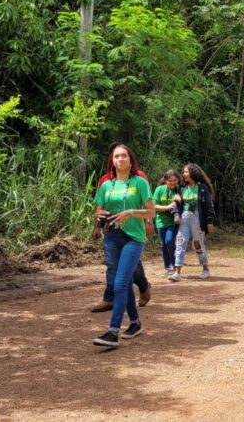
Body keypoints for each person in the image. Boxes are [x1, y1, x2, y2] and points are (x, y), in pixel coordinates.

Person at [93, 143, 155, 347]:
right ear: (112, 160)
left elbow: (151, 212)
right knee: (125, 283)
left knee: (119, 283)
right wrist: (98, 217)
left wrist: (131, 213)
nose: (120, 159)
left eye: (124, 156)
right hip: (112, 237)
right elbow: (98, 210)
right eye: (116, 156)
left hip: (133, 238)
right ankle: (135, 323)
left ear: (131, 160)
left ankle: (113, 332)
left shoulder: (140, 182)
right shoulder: (106, 185)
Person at [169, 163, 217, 281]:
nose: (183, 174)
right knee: (180, 242)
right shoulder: (182, 188)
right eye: (184, 172)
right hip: (184, 217)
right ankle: (177, 272)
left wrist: (210, 221)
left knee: (198, 244)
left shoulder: (202, 188)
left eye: (186, 172)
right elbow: (175, 204)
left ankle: (205, 269)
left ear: (192, 173)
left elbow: (209, 205)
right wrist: (175, 214)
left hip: (198, 218)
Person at [153, 169, 181, 278]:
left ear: (178, 180)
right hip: (160, 222)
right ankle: (167, 267)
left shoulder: (180, 190)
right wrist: (168, 207)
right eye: (170, 180)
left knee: (169, 241)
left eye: (175, 180)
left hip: (173, 222)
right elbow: (154, 206)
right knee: (163, 245)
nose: (172, 183)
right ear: (165, 180)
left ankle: (175, 265)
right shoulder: (159, 189)